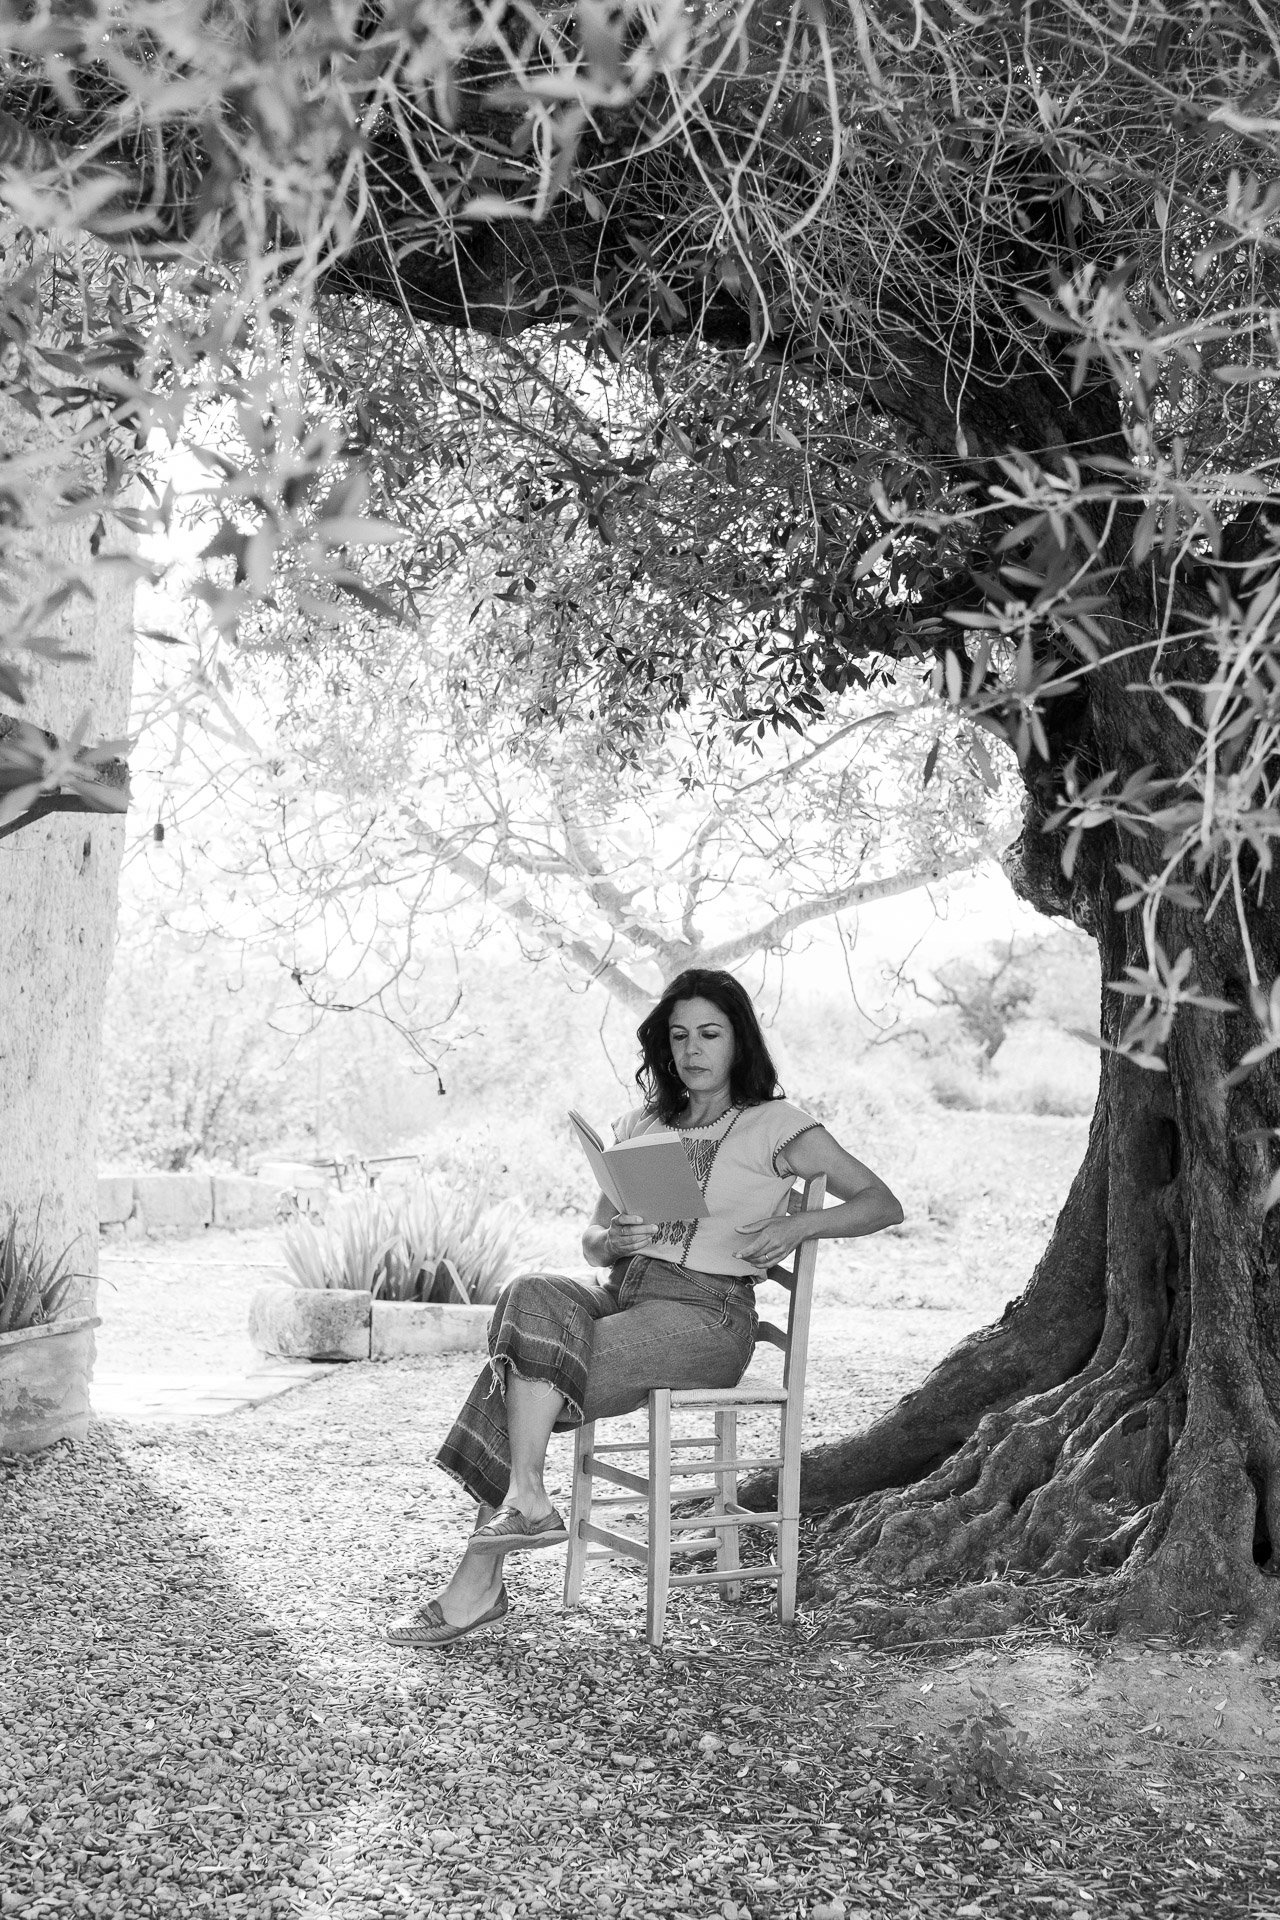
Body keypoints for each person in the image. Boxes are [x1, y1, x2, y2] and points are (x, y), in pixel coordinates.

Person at [387, 967, 903, 1646]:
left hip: (708, 1316)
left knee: (527, 1372)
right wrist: (616, 1238)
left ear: (739, 1041)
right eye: (679, 1034)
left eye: (710, 1034)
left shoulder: (779, 1126)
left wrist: (798, 1226)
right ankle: (525, 1504)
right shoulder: (642, 1124)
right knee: (530, 1293)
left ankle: (480, 1579)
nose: (692, 1049)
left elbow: (881, 1203)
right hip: (622, 1292)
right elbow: (595, 1241)